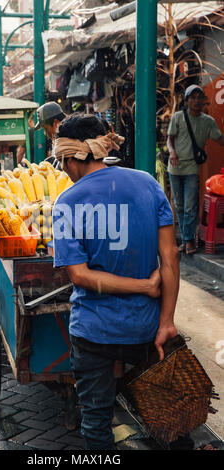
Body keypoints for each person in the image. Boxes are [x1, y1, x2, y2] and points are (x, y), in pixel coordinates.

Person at [52, 114, 179, 450]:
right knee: (168, 417)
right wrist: (166, 321)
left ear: (72, 156)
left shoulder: (67, 202)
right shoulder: (149, 184)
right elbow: (170, 258)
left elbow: (78, 275)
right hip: (148, 329)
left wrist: (142, 286)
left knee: (96, 424)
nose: (63, 169)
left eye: (62, 160)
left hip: (94, 332)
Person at [167, 84, 224, 255]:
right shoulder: (177, 117)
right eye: (193, 97)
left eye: (200, 97)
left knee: (190, 205)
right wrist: (172, 152)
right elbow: (169, 139)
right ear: (186, 101)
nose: (196, 100)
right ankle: (186, 240)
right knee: (180, 206)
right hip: (175, 168)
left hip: (192, 167)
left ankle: (188, 241)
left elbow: (220, 139)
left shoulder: (208, 122)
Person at [35, 101, 66, 167]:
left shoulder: (66, 139)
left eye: (45, 128)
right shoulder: (57, 139)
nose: (45, 133)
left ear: (55, 123)